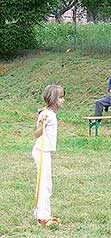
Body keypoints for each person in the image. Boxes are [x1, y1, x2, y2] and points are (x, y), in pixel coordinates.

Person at [32, 85, 65, 226]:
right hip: (41, 151)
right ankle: (43, 217)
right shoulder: (47, 114)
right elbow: (36, 134)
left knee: (46, 183)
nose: (63, 100)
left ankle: (40, 211)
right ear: (53, 99)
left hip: (45, 151)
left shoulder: (49, 112)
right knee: (45, 184)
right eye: (61, 97)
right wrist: (42, 124)